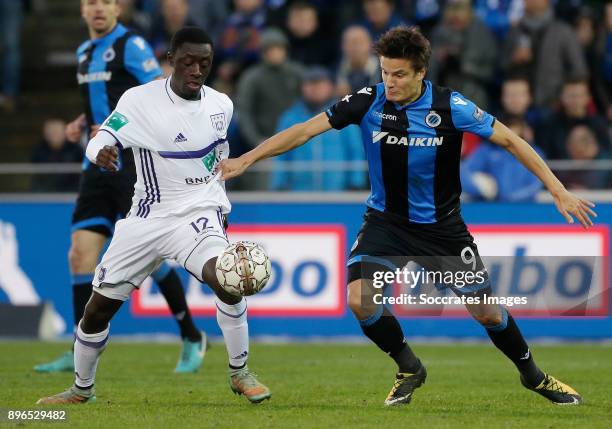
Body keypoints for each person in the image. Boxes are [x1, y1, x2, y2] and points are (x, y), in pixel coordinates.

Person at [220, 26, 595, 406]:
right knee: (360, 299)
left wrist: (557, 189)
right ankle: (409, 366)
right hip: (387, 223)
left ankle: (534, 376)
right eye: (384, 72)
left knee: (486, 311)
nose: (390, 81)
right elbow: (304, 131)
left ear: (420, 73)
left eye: (399, 74)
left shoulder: (452, 107)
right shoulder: (368, 101)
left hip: (442, 229)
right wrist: (247, 159)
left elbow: (511, 140)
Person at [37, 26, 270, 406]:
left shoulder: (221, 105)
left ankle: (240, 372)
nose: (197, 70)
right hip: (147, 217)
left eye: (205, 63)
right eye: (188, 62)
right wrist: (101, 151)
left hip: (198, 214)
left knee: (227, 278)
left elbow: (216, 160)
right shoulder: (139, 100)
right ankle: (81, 390)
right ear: (171, 60)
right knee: (97, 311)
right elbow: (103, 135)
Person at [33, 0, 206, 375]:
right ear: (81, 11)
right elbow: (105, 101)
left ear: (117, 9)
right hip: (94, 166)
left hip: (131, 166)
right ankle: (78, 347)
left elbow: (160, 95)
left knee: (151, 255)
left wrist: (120, 132)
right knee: (80, 255)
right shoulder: (83, 51)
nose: (98, 9)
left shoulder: (132, 46)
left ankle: (192, 335)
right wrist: (84, 122)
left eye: (106, 2)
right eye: (91, 2)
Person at [270, 66, 366, 191]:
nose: (314, 88)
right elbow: (279, 152)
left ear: (330, 87)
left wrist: (356, 182)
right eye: (310, 83)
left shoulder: (345, 114)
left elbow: (356, 150)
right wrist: (279, 184)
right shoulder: (289, 118)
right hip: (298, 195)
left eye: (320, 83)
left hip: (337, 194)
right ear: (302, 87)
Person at [31, 119, 84, 192]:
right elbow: (38, 175)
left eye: (57, 131)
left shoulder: (75, 150)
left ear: (64, 132)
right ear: (45, 134)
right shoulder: (39, 150)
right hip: (45, 192)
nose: (54, 135)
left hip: (71, 191)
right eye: (51, 132)